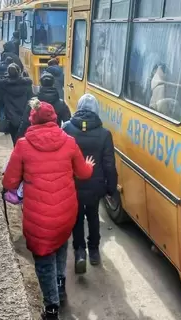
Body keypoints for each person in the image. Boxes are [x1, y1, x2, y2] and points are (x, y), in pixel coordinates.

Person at [2, 98, 95, 319]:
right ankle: (61, 287)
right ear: (54, 118)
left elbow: (9, 183)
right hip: (65, 214)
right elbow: (83, 173)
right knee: (61, 247)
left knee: (44, 261)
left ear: (32, 120)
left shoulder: (23, 145)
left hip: (39, 220)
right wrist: (90, 166)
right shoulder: (69, 141)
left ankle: (51, 308)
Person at [63, 94, 118, 274]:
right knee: (93, 216)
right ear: (96, 110)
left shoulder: (67, 129)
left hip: (73, 185)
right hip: (95, 187)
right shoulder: (104, 134)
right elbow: (109, 164)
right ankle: (94, 251)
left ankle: (80, 252)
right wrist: (111, 189)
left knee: (77, 219)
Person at [17, 72, 70, 137]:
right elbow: (67, 123)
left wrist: (19, 138)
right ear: (53, 84)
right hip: (55, 137)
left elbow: (25, 123)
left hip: (36, 138)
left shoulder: (33, 103)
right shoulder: (61, 104)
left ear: (40, 84)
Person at [0, 63, 34, 145]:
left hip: (10, 117)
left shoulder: (3, 85)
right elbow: (31, 99)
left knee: (15, 139)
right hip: (25, 116)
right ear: (19, 72)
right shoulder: (27, 84)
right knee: (26, 139)